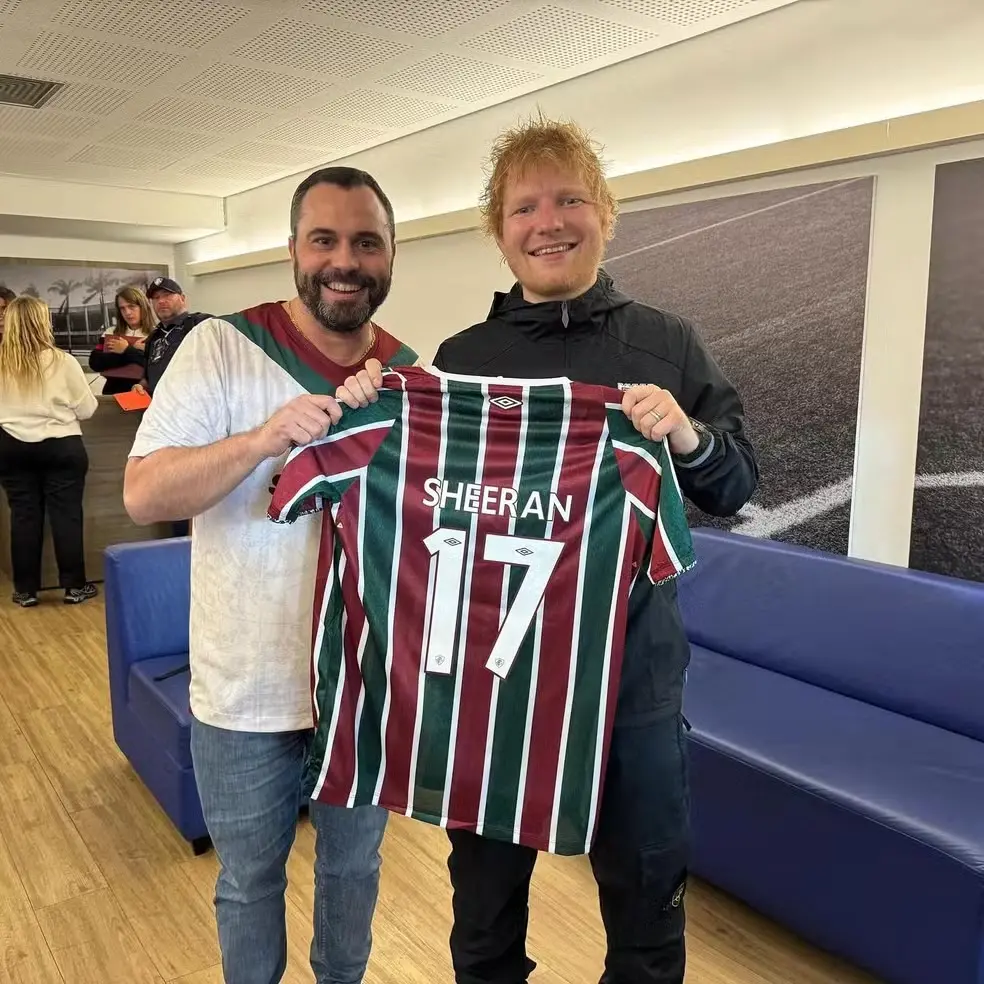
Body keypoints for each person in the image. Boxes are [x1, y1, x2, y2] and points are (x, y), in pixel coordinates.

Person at [336, 117, 759, 984]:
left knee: (648, 915)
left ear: (605, 213)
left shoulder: (667, 343)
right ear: (499, 232)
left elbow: (735, 483)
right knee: (484, 918)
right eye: (524, 207)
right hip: (496, 685)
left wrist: (686, 437)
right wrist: (367, 405)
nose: (548, 223)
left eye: (570, 200)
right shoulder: (463, 360)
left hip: (631, 683)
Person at [122, 165, 419, 984]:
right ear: (293, 249)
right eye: (324, 240)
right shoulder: (221, 347)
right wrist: (262, 440)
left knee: (353, 873)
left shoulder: (408, 376)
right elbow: (144, 492)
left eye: (366, 242)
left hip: (363, 690)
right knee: (250, 882)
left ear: (392, 255)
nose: (344, 261)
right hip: (244, 688)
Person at [0, 296, 99, 607]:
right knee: (66, 516)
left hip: (11, 446)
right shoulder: (63, 362)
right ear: (43, 323)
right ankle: (74, 587)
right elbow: (87, 409)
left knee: (23, 516)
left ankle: (25, 590)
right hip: (61, 446)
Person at [133, 277, 210, 396]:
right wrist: (140, 387)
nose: (161, 301)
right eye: (156, 298)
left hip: (194, 402)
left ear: (182, 298)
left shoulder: (202, 324)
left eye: (167, 295)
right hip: (158, 404)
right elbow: (148, 379)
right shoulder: (153, 338)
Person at [88, 285, 154, 394]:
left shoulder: (157, 334)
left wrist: (128, 350)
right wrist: (129, 352)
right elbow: (95, 363)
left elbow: (158, 367)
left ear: (143, 307)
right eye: (122, 308)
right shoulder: (110, 332)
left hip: (145, 395)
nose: (127, 312)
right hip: (113, 394)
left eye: (131, 306)